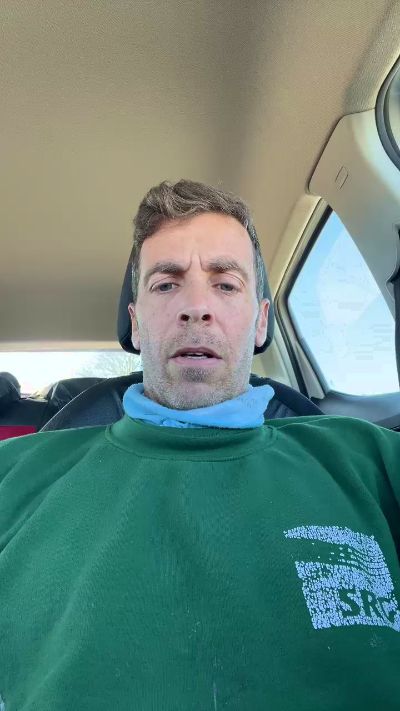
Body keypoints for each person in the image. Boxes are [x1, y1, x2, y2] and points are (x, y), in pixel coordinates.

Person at [0, 179, 399, 711]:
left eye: (225, 284)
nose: (196, 307)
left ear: (260, 321)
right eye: (166, 284)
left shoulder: (369, 457)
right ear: (135, 323)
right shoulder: (15, 472)